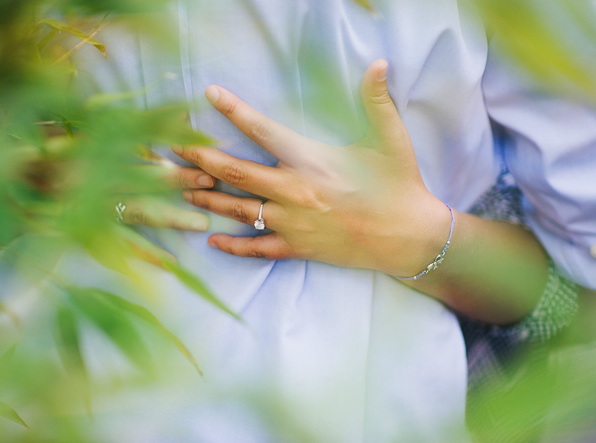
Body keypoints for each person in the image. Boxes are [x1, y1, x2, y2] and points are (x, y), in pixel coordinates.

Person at [58, 0, 596, 440]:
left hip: (370, 409)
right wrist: (19, 164)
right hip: (64, 389)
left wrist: (414, 238)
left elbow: (578, 287)